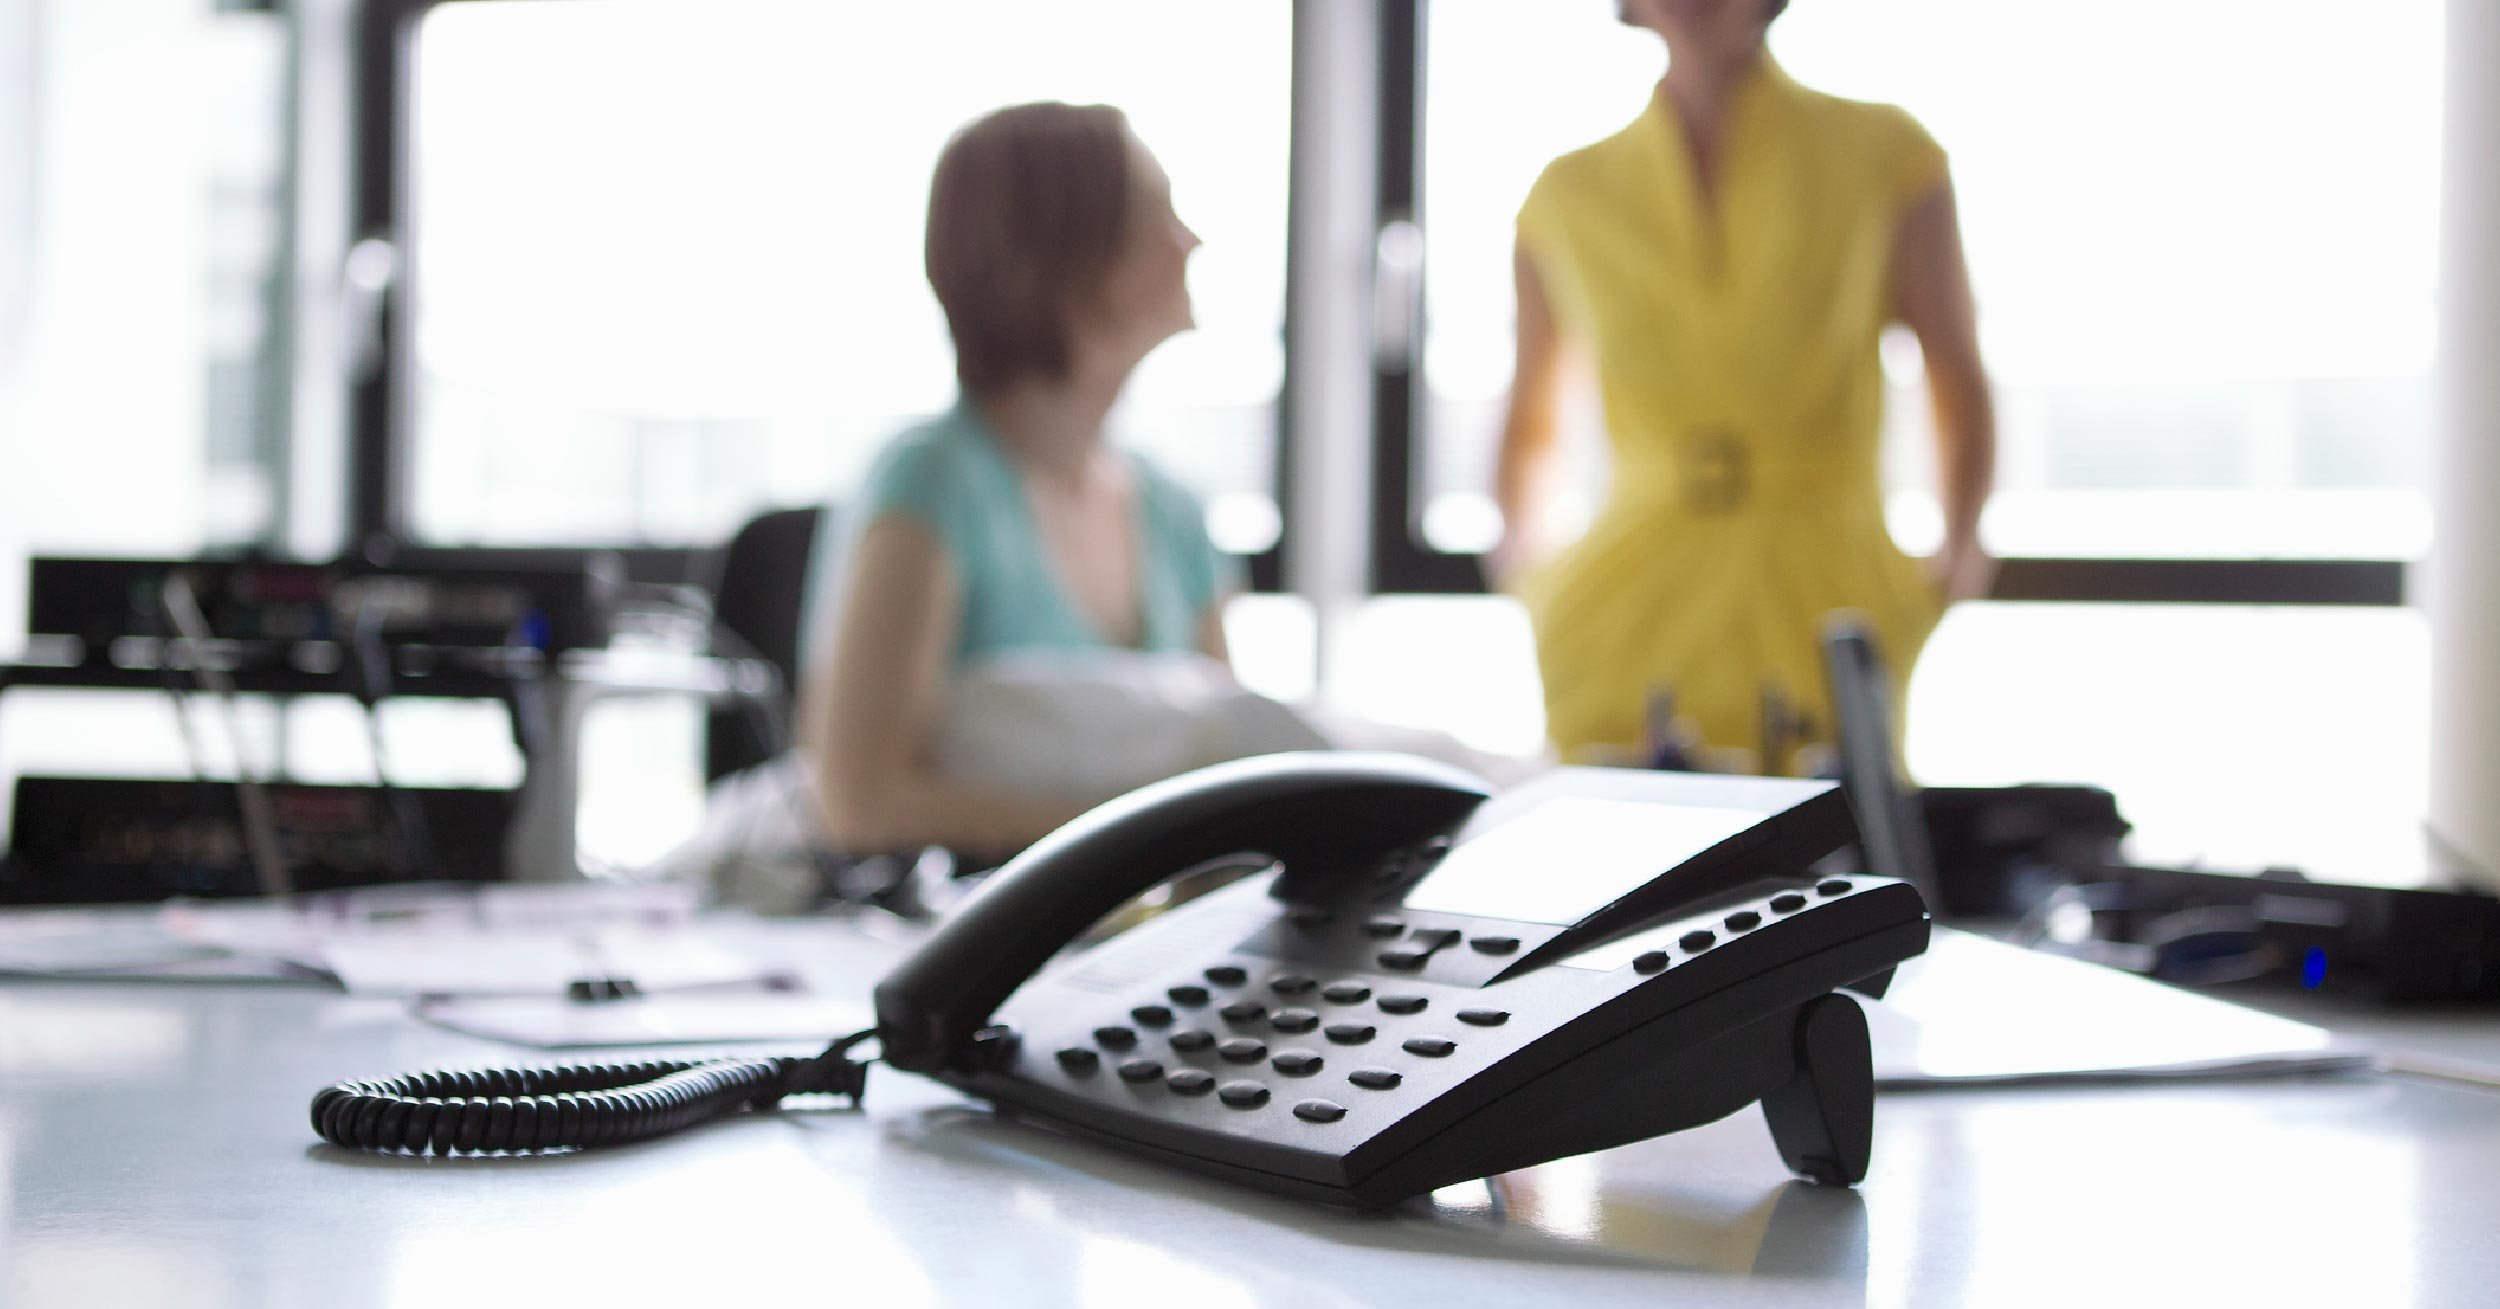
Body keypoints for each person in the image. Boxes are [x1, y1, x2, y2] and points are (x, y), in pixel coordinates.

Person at [1491, 0, 1997, 770]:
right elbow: (1530, 418)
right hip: (1626, 605)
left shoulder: (1887, 155)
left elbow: (1956, 378)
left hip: (1829, 592)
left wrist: (1951, 567)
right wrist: (1532, 582)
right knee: (1621, 835)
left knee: (1833, 834)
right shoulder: (1566, 192)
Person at [793, 102, 1259, 860]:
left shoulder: (1175, 513)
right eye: (1158, 213)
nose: (1190, 240)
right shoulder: (933, 484)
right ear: (1071, 253)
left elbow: (1225, 758)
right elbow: (859, 803)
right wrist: (1141, 839)